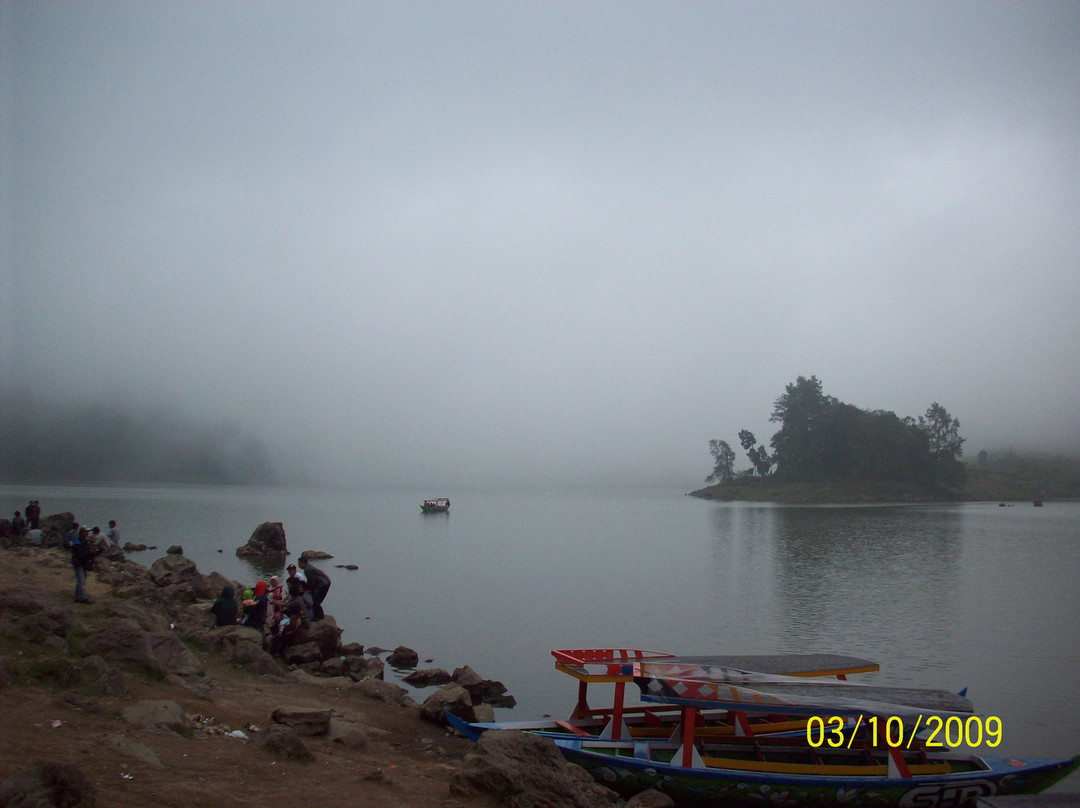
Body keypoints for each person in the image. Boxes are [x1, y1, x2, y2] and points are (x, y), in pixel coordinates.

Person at [297, 557, 331, 621]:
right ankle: (317, 614)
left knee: (316, 600)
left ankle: (319, 616)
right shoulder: (308, 567)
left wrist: (309, 589)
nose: (298, 565)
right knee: (315, 599)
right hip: (323, 583)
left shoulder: (307, 569)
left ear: (303, 563)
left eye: (299, 563)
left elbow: (312, 581)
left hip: (323, 584)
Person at [70, 526, 97, 603]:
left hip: (83, 563)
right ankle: (83, 598)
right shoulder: (77, 542)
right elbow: (80, 554)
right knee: (81, 581)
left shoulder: (84, 542)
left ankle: (78, 597)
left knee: (81, 581)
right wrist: (89, 552)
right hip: (78, 563)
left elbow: (86, 552)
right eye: (86, 532)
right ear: (82, 532)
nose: (88, 533)